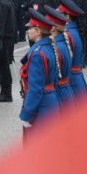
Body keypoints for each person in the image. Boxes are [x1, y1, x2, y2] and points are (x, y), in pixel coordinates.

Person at [19, 9, 60, 139]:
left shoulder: (37, 53)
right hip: (51, 100)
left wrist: (27, 114)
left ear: (38, 31)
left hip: (42, 106)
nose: (27, 31)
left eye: (30, 28)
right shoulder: (48, 47)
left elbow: (35, 88)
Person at [58, 0, 87, 103]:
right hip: (77, 79)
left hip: (71, 81)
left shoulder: (67, 34)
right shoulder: (73, 30)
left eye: (59, 13)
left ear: (66, 16)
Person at [45, 6, 75, 107]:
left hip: (60, 94)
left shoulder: (56, 47)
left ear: (53, 28)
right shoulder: (63, 43)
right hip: (67, 91)